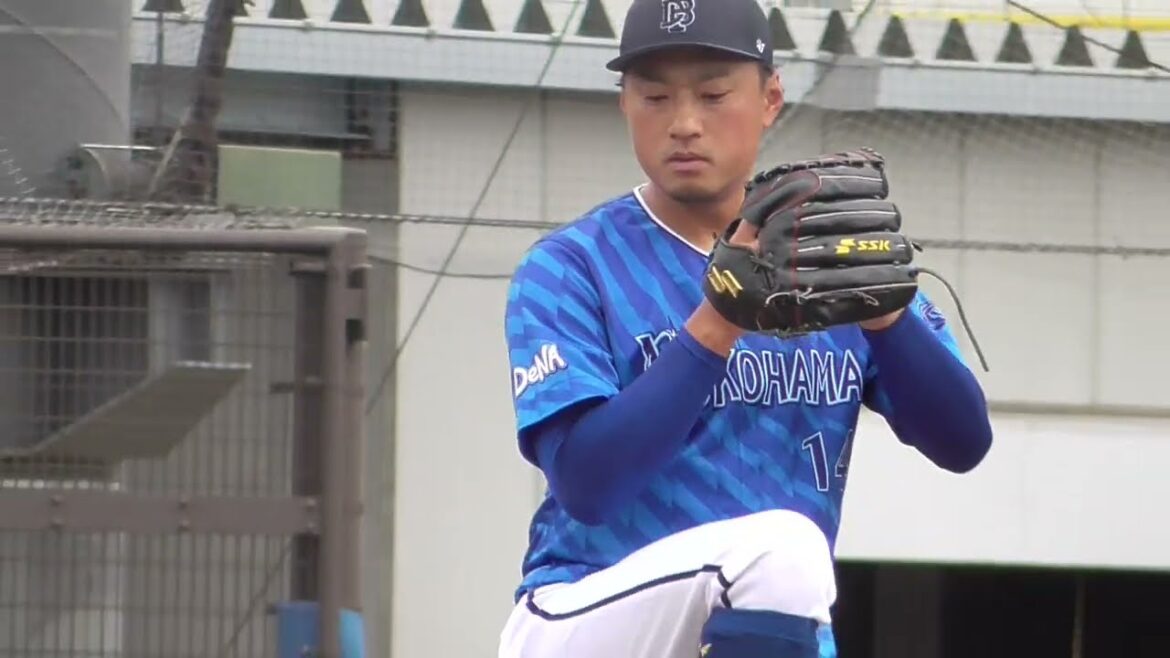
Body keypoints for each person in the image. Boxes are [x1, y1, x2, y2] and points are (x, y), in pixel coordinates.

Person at [497, 0, 994, 656]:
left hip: (762, 621)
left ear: (770, 98)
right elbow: (588, 487)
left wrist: (887, 316)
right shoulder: (571, 266)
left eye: (712, 94)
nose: (683, 123)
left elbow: (963, 442)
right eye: (654, 96)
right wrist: (717, 324)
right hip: (589, 611)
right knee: (783, 550)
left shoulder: (821, 252)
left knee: (787, 569)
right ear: (623, 102)